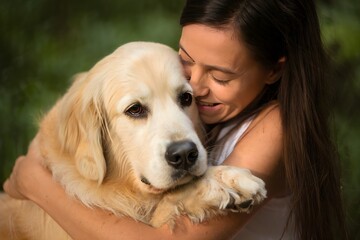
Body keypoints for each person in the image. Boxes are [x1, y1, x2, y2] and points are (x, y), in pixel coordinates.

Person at [3, 0, 348, 239]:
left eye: (221, 77)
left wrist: (38, 184)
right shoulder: (206, 110)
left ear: (274, 70)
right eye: (186, 59)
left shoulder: (274, 127)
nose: (195, 88)